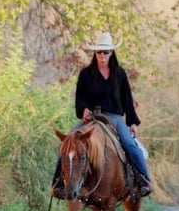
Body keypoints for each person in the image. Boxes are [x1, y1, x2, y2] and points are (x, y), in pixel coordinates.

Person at [51, 32, 153, 199]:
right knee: (68, 143)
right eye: (99, 52)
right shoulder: (86, 74)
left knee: (129, 144)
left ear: (111, 53)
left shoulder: (120, 74)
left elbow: (127, 99)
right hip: (92, 118)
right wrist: (83, 109)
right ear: (95, 53)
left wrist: (132, 122)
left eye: (105, 52)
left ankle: (143, 180)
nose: (102, 55)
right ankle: (59, 184)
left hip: (115, 117)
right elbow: (80, 98)